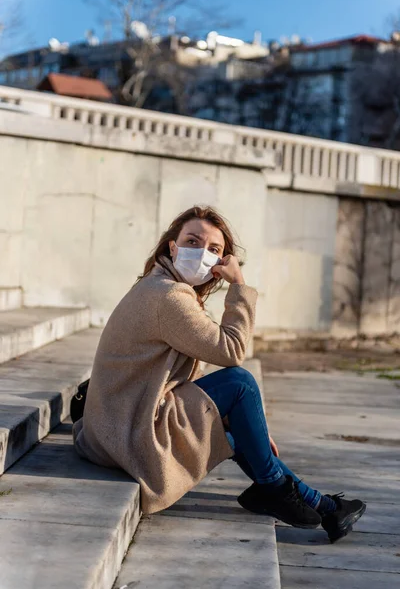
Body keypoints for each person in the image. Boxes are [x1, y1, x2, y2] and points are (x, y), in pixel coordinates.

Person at [73, 206, 366, 543]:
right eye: (192, 242)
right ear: (172, 246)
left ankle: (322, 506)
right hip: (129, 435)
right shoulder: (168, 298)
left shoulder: (158, 283)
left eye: (213, 249)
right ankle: (275, 488)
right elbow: (231, 351)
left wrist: (244, 423)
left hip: (114, 427)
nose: (201, 253)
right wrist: (239, 284)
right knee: (241, 384)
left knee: (234, 421)